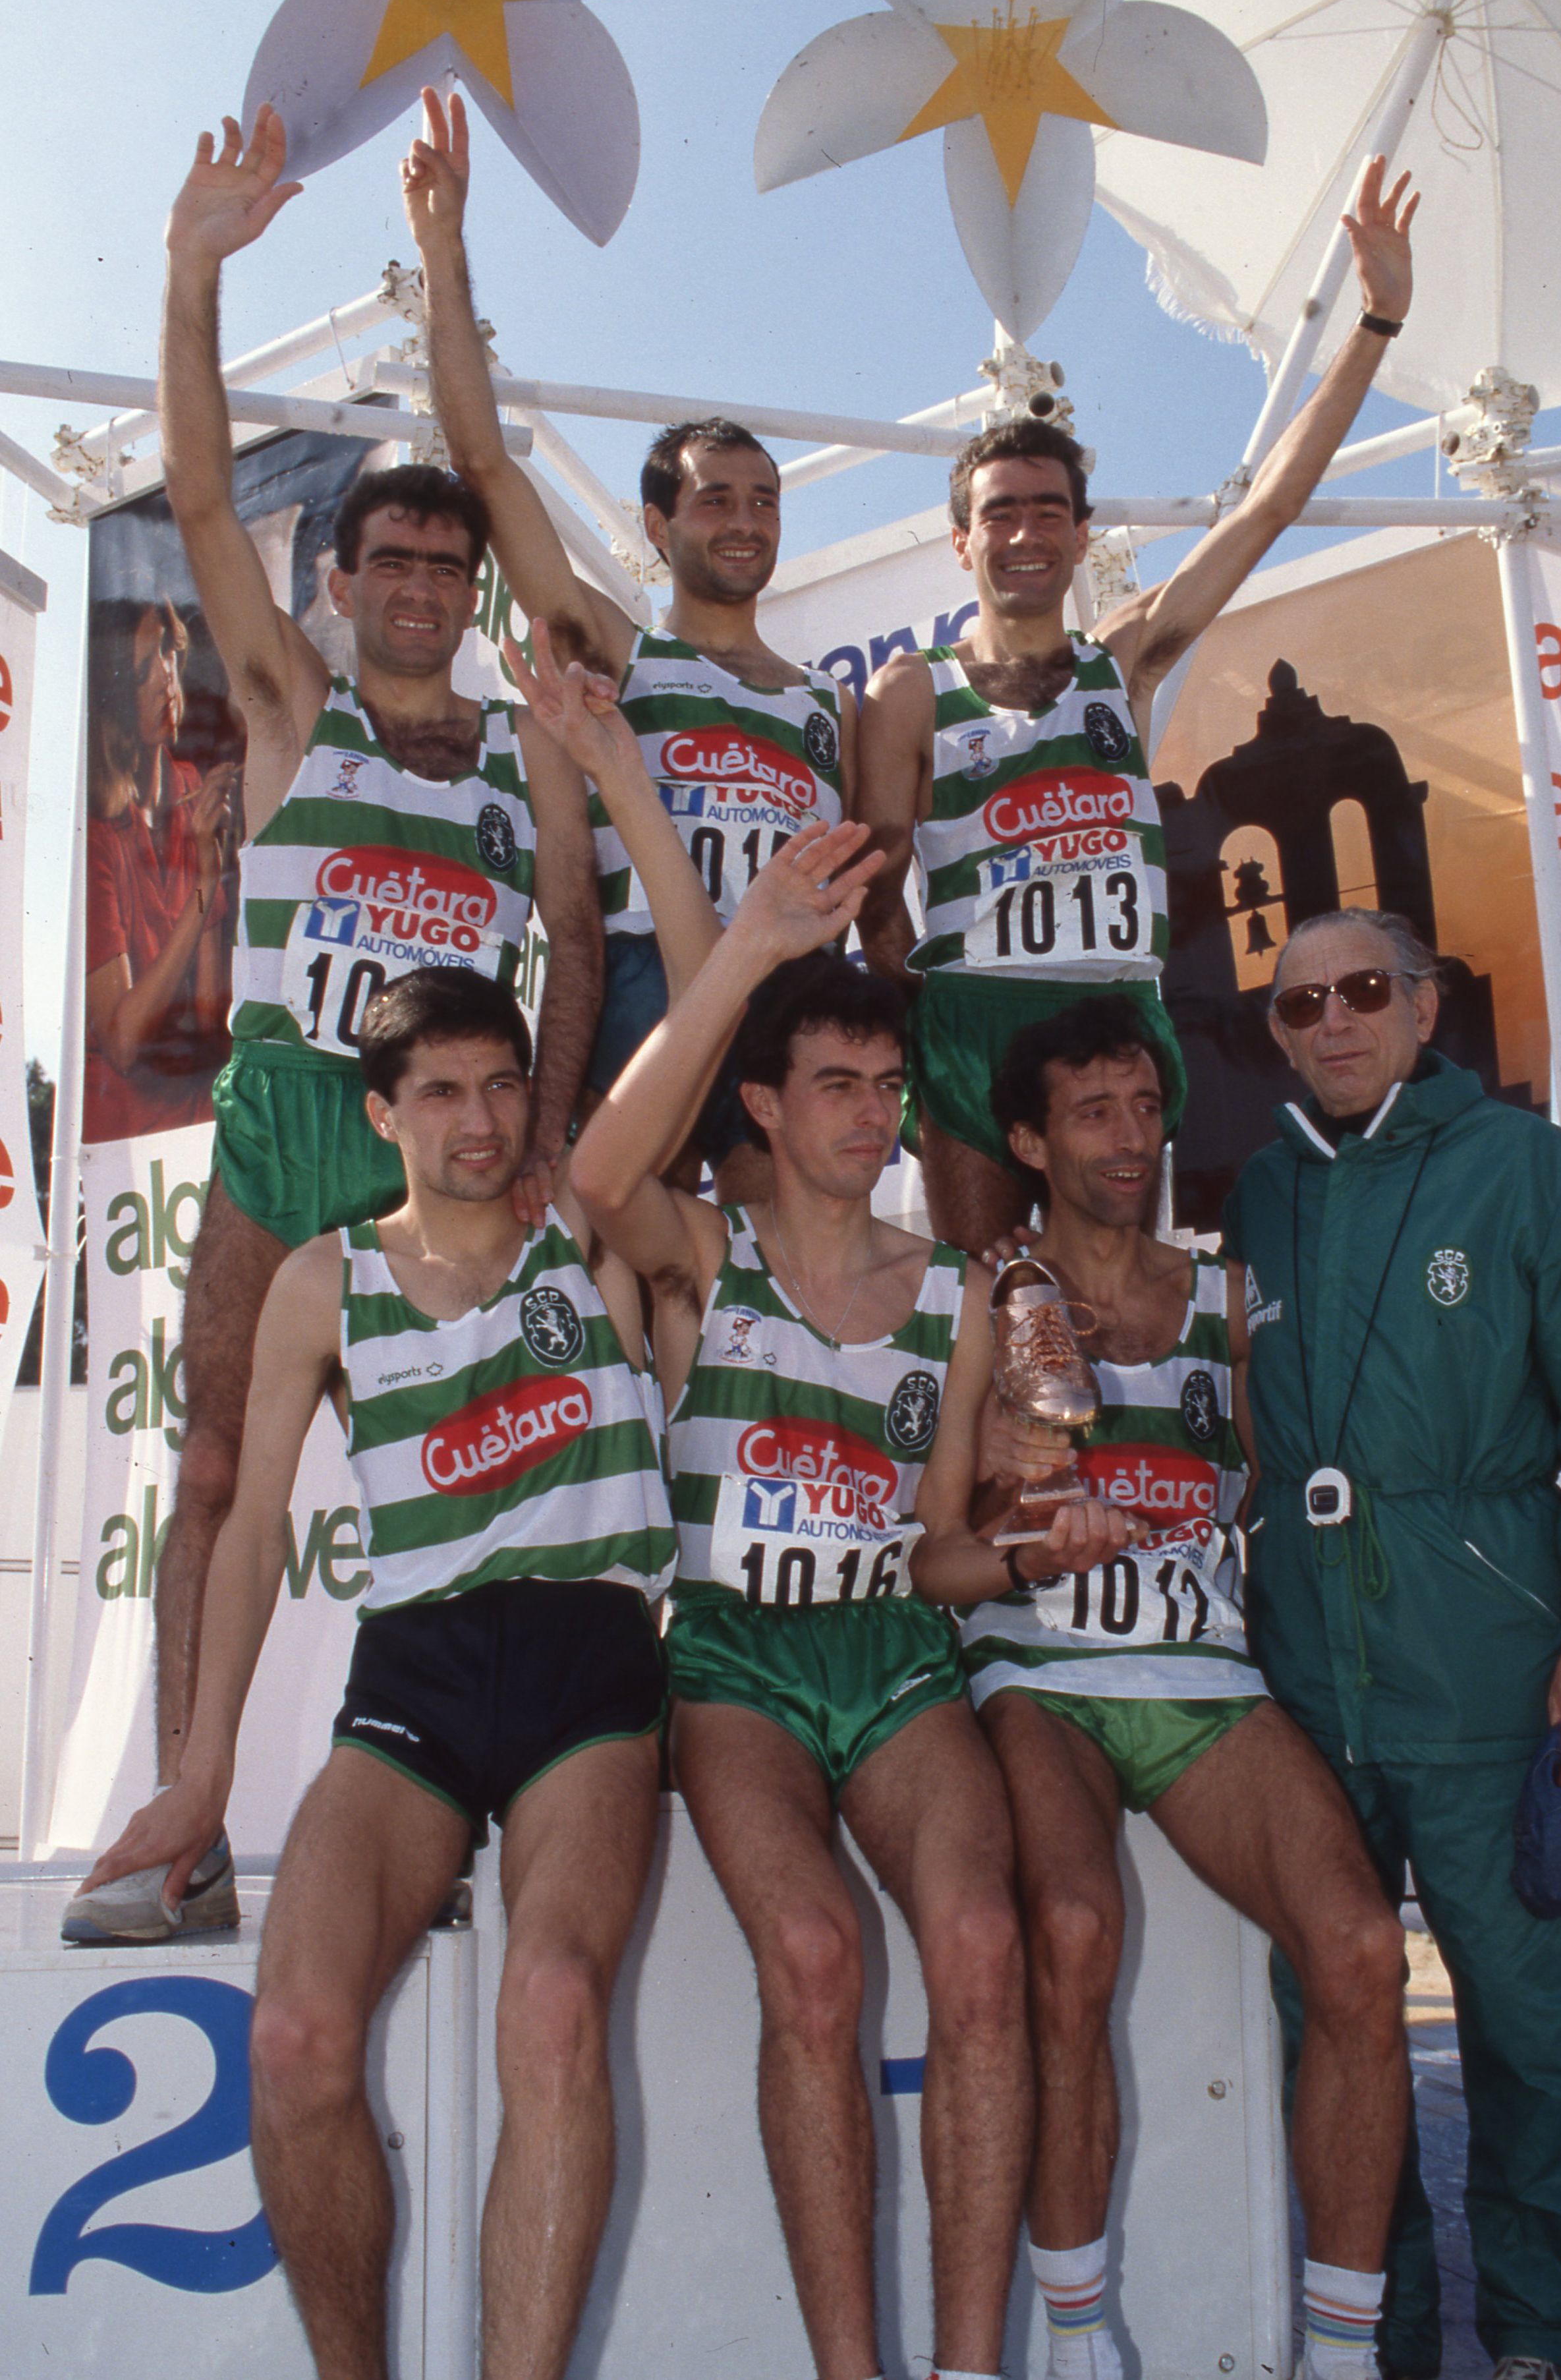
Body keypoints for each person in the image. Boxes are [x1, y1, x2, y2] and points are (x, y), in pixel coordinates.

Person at [553, 654, 1137, 2380]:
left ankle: (969, 2361)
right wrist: (738, 943)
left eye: (887, 1091)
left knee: (976, 1940)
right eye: (835, 1085)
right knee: (812, 1952)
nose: (873, 1114)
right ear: (766, 1101)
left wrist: (1027, 1549)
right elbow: (589, 1181)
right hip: (733, 1658)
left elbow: (942, 1545)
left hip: (888, 1649)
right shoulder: (701, 1252)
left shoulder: (957, 1288)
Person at [70, 108, 604, 1942]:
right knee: (218, 1469)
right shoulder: (296, 702)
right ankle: (182, 1829)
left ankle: (451, 1816)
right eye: (391, 559)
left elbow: (580, 941)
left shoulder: (525, 748)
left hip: (455, 1142)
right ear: (343, 578)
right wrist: (191, 268)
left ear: (470, 594)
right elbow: (205, 495)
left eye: (448, 570)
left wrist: (541, 1135)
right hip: (301, 1109)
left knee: (470, 1491)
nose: (421, 588)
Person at [69, 964, 673, 2380]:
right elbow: (250, 1529)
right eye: (446, 1093)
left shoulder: (583, 1220)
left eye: (505, 1084)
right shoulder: (322, 1281)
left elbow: (684, 1014)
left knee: (555, 2003)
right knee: (291, 2038)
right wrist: (201, 1773)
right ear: (381, 1114)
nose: (483, 1120)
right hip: (417, 1668)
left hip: (589, 1665)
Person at [913, 991, 1411, 2380]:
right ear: (1027, 1136)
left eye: (1145, 1107)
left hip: (1201, 1675)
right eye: (1094, 1113)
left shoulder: (1227, 1295)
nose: (1132, 1139)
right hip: (1042, 1674)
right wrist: (1022, 1555)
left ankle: (1343, 2348)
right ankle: (1081, 2335)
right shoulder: (988, 1297)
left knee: (1367, 1953)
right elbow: (933, 1554)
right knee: (1071, 1928)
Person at [855, 158, 1419, 1255]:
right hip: (972, 1012)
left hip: (1114, 1012)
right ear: (961, 539)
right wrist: (920, 1036)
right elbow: (875, 906)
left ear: (1080, 533)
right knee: (985, 1298)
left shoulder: (1128, 656)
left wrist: (1377, 321)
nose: (1025, 534)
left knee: (1111, 1304)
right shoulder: (912, 688)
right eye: (1000, 514)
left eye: (1048, 512)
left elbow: (1266, 509)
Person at [1222, 908, 1561, 2380]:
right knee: (1335, 2021)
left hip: (1489, 1672)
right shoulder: (1261, 1194)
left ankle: (1544, 2335)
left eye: (1364, 991)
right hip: (1311, 1684)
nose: (1331, 1021)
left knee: (1534, 2030)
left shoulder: (1522, 1171)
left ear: (1426, 1005)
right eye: (1297, 1003)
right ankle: (1375, 2334)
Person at [402, 86, 855, 1200]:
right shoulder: (622, 646)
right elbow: (487, 466)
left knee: (771, 1275)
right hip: (647, 975)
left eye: (762, 499)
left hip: (786, 986)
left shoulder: (822, 704)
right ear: (657, 527)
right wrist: (444, 249)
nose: (743, 519)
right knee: (608, 1255)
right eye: (714, 500)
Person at [84, 597, 233, 1141]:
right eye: (144, 670)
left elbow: (211, 1019)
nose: (167, 679)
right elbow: (124, 1043)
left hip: (194, 1113)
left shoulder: (191, 787)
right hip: (121, 1135)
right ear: (113, 693)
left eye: (169, 654)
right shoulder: (97, 835)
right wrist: (204, 889)